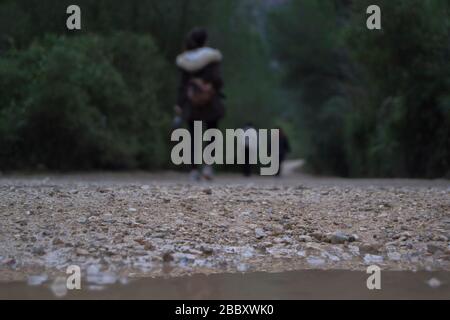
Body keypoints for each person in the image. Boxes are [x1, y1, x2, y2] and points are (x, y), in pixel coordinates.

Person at [174, 28, 225, 181]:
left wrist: (179, 103)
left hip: (192, 102)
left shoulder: (185, 60)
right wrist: (210, 86)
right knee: (211, 134)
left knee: (193, 136)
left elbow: (182, 84)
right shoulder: (212, 57)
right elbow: (217, 80)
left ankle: (193, 170)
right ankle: (208, 168)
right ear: (205, 41)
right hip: (210, 101)